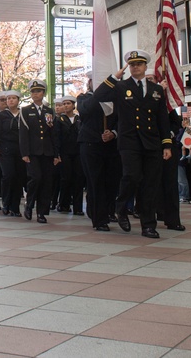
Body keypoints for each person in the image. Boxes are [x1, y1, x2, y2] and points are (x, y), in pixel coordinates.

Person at [94, 50, 172, 239]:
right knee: (132, 176)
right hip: (129, 142)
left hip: (151, 142)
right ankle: (121, 207)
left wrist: (166, 144)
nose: (135, 67)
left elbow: (162, 119)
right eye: (132, 64)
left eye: (139, 64)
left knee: (150, 184)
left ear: (145, 67)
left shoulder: (156, 90)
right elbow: (98, 95)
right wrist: (114, 77)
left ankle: (148, 225)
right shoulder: (121, 87)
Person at [77, 81, 118, 231]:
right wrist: (102, 91)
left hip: (111, 145)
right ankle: (99, 218)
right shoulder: (83, 98)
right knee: (96, 182)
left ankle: (108, 211)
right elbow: (85, 110)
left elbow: (123, 118)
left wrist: (114, 132)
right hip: (90, 143)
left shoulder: (116, 97)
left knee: (111, 182)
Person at [19, 80, 59, 224]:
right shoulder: (25, 110)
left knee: (47, 182)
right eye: (33, 92)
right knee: (35, 178)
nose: (35, 94)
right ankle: (29, 205)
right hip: (33, 152)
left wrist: (56, 154)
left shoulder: (50, 111)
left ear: (43, 93)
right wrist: (24, 153)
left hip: (47, 151)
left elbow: (53, 133)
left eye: (38, 91)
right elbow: (23, 134)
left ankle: (42, 212)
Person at [0, 90, 24, 217]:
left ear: (18, 100)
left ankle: (15, 207)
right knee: (8, 175)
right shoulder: (1, 116)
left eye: (13, 98)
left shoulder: (23, 114)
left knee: (19, 177)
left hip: (20, 150)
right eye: (8, 98)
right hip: (5, 150)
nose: (10, 101)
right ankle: (6, 203)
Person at [56, 96, 85, 215]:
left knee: (78, 179)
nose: (66, 106)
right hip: (65, 153)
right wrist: (56, 153)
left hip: (78, 153)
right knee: (66, 179)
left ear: (73, 105)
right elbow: (56, 138)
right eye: (64, 104)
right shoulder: (59, 120)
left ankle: (78, 207)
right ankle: (64, 204)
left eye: (68, 103)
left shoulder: (79, 119)